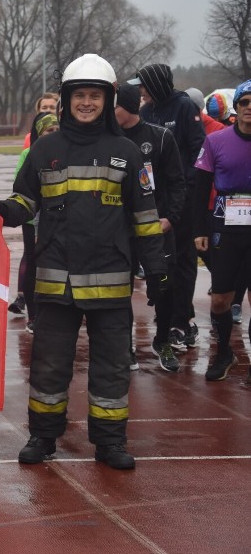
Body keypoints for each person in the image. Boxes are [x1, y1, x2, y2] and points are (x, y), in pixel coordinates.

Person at [0, 54, 167, 470]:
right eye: (79, 95)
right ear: (67, 100)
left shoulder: (126, 153)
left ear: (107, 100)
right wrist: (5, 209)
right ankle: (43, 436)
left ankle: (109, 442)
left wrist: (157, 269)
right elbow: (26, 199)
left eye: (95, 96)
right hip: (55, 278)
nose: (87, 102)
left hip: (110, 279)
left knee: (112, 366)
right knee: (49, 365)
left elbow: (144, 216)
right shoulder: (45, 149)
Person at [130, 63, 206, 353]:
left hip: (184, 196)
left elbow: (199, 149)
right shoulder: (147, 111)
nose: (142, 91)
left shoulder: (184, 107)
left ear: (158, 84)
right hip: (154, 198)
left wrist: (186, 184)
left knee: (184, 259)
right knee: (163, 262)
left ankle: (181, 319)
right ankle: (173, 317)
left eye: (145, 86)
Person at [115, 83, 186, 372]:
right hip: (121, 229)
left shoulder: (160, 138)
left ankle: (162, 341)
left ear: (130, 107)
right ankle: (126, 347)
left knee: (165, 286)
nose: (108, 112)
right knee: (121, 287)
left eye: (114, 106)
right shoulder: (109, 139)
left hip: (157, 228)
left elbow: (178, 183)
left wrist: (170, 218)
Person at [193, 79, 251, 383]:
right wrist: (199, 229)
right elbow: (200, 187)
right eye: (245, 103)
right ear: (237, 107)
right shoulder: (216, 141)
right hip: (224, 229)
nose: (250, 108)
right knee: (220, 300)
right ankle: (224, 352)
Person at [11, 112, 59, 332]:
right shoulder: (30, 154)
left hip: (56, 219)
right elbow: (20, 186)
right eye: (49, 130)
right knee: (33, 263)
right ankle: (33, 315)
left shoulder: (65, 151)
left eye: (57, 130)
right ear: (39, 133)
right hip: (32, 220)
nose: (54, 134)